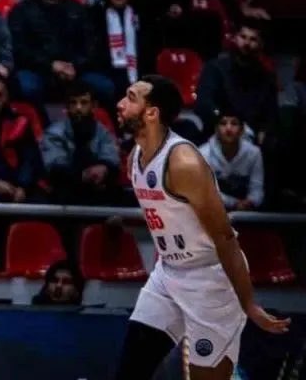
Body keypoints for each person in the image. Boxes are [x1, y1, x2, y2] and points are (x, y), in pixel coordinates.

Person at [113, 75, 289, 380]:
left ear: (151, 113)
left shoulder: (185, 164)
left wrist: (248, 303)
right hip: (168, 274)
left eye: (130, 97)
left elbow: (225, 237)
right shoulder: (136, 157)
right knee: (130, 371)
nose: (119, 104)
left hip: (211, 280)